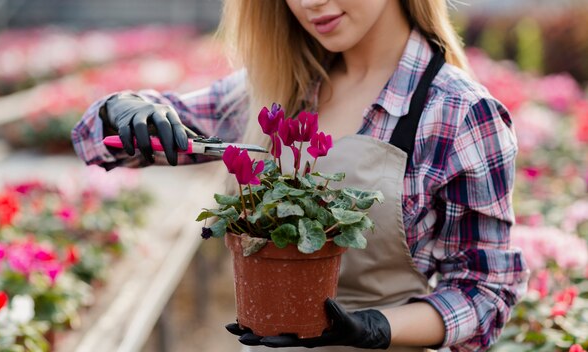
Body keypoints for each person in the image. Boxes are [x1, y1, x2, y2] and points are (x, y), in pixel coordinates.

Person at [71, 0, 529, 350]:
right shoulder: (283, 84)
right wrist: (121, 111)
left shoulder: (457, 112)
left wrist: (376, 327)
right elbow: (103, 140)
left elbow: (486, 289)